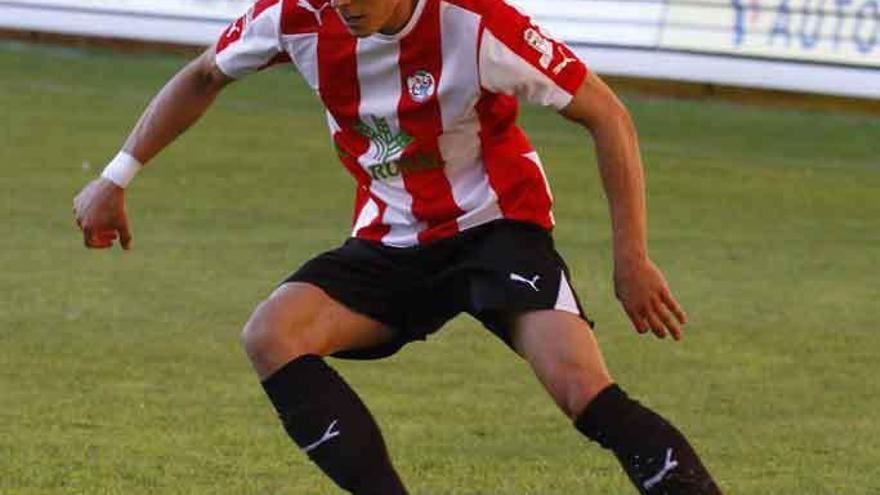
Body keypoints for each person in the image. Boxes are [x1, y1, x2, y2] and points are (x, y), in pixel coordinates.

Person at [73, 0, 724, 492]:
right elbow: (205, 74)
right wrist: (116, 175)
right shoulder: (300, 17)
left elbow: (607, 114)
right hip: (390, 239)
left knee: (582, 387)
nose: (344, 1)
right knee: (271, 334)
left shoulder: (476, 25)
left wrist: (631, 257)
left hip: (496, 230)